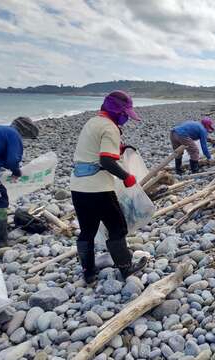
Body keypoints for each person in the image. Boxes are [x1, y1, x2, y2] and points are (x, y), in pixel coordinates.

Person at [70, 90, 147, 284]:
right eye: (125, 114)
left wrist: (119, 149)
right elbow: (106, 161)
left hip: (78, 187)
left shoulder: (93, 122)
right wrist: (126, 176)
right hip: (98, 189)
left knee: (87, 230)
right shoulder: (110, 127)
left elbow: (94, 150)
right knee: (117, 228)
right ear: (117, 112)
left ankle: (88, 272)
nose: (125, 119)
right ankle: (126, 268)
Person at [0, 117, 39, 248]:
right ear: (26, 131)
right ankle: (2, 242)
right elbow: (12, 160)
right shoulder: (14, 135)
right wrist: (16, 172)